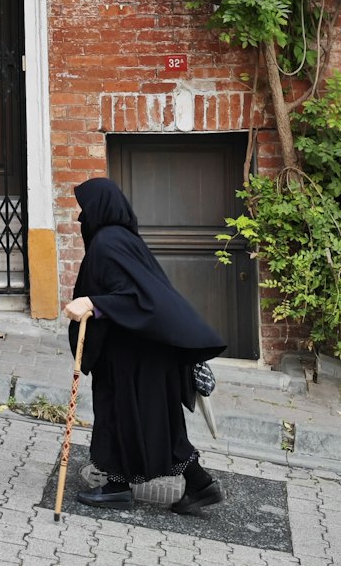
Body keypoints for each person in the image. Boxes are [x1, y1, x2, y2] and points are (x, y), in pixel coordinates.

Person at [63, 176, 226, 514]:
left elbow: (137, 297)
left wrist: (95, 303)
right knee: (143, 420)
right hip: (140, 351)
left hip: (135, 355)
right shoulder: (123, 240)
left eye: (84, 209)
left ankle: (130, 487)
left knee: (133, 418)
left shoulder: (109, 243)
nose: (81, 218)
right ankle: (143, 485)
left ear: (98, 209)